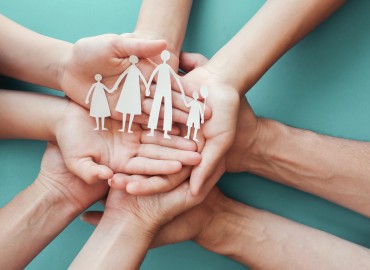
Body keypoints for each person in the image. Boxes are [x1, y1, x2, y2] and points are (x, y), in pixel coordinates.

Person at [112, 55, 147, 133]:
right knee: (125, 109)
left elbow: (142, 78)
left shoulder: (136, 70)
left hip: (134, 89)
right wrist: (115, 85)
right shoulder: (129, 68)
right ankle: (124, 127)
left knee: (132, 110)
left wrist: (147, 87)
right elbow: (121, 76)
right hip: (127, 89)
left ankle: (129, 128)